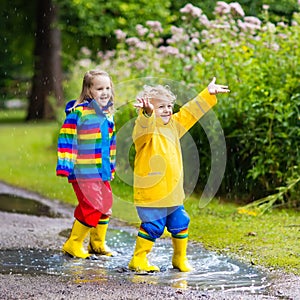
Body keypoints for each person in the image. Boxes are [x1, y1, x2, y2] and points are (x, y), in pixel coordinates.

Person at [128, 77, 230, 272]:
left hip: (173, 193)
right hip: (152, 195)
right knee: (153, 227)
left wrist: (206, 94)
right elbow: (143, 126)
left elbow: (190, 113)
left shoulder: (174, 125)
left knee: (181, 222)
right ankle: (138, 259)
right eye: (160, 107)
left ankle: (179, 258)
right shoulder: (144, 134)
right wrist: (147, 114)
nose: (167, 110)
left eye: (169, 106)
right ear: (147, 109)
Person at [56, 69, 116, 259]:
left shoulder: (107, 116)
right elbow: (66, 139)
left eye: (107, 87)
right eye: (99, 88)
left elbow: (110, 146)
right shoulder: (78, 113)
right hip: (83, 171)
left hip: (101, 171)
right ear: (89, 91)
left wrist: (111, 168)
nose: (105, 92)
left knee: (105, 205)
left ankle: (97, 244)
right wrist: (65, 166)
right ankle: (73, 244)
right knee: (92, 206)